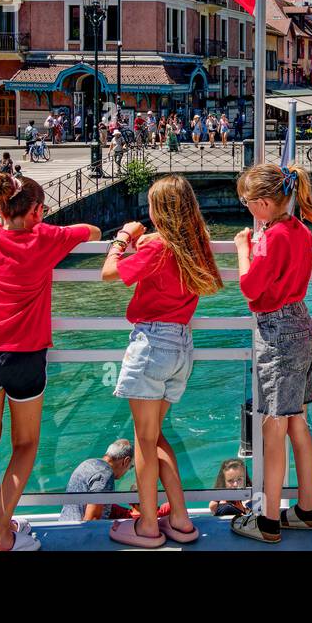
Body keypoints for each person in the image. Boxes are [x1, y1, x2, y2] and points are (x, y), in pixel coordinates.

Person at [0, 173, 101, 550]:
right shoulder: (46, 238)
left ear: (1, 205)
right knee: (25, 444)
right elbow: (93, 231)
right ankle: (0, 532)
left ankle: (1, 530)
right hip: (23, 354)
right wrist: (47, 224)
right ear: (37, 211)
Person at [100, 176, 222, 548]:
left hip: (152, 344)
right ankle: (181, 519)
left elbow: (109, 274)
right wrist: (148, 240)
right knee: (157, 437)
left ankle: (148, 526)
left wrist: (122, 238)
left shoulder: (157, 250)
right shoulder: (195, 246)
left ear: (160, 211)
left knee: (143, 439)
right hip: (181, 346)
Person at [230, 162, 312, 543]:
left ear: (265, 204)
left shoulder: (270, 237)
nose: (246, 207)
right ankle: (307, 507)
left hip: (278, 332)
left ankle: (268, 519)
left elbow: (252, 288)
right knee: (298, 423)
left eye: (247, 201)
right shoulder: (300, 230)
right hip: (302, 325)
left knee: (274, 429)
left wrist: (242, 248)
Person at [58, 441, 134, 524]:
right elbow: (92, 519)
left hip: (64, 524)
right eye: (131, 467)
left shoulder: (87, 463)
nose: (128, 470)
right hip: (77, 533)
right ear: (126, 461)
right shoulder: (105, 474)